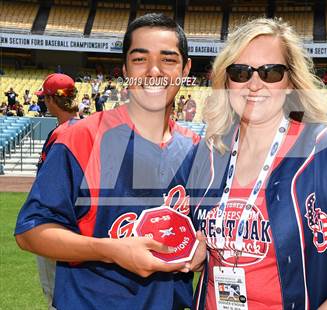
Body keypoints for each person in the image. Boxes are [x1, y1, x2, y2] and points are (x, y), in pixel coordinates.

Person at [187, 18, 327, 310]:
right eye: (240, 72)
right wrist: (194, 248)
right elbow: (185, 236)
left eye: (271, 72)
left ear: (291, 80)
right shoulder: (209, 151)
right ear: (226, 80)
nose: (254, 84)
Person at [15, 14, 205, 310]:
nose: (154, 71)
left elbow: (208, 230)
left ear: (186, 69)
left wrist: (204, 247)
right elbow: (30, 233)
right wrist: (110, 251)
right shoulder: (80, 138)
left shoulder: (197, 150)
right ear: (126, 68)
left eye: (168, 60)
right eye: (140, 59)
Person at [32, 73, 81, 309]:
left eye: (45, 98)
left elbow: (51, 186)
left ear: (52, 100)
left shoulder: (62, 134)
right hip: (82, 225)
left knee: (56, 296)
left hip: (57, 224)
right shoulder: (88, 127)